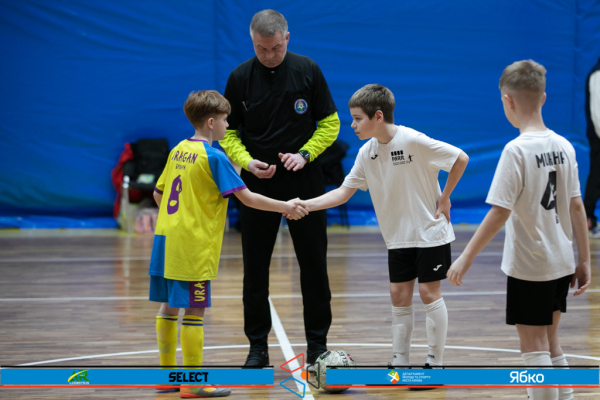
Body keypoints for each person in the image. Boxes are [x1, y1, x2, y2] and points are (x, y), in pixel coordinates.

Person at [294, 84, 469, 381]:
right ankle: (399, 363)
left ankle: (435, 364)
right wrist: (305, 205)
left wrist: (445, 197)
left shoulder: (413, 140)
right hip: (397, 237)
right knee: (398, 296)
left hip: (430, 232)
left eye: (357, 118)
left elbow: (460, 158)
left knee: (428, 293)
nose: (352, 125)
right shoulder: (367, 152)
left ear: (378, 116)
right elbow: (342, 193)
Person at [148, 90, 307, 398]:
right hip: (193, 245)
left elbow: (158, 194)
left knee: (168, 306)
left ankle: (168, 377)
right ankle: (193, 383)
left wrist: (180, 217)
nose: (227, 125)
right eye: (224, 120)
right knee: (194, 311)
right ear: (211, 122)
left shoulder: (179, 149)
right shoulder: (214, 156)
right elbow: (248, 199)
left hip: (166, 239)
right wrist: (285, 207)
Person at [447, 60, 591, 400]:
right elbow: (577, 207)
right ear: (543, 98)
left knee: (534, 348)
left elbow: (499, 211)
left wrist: (466, 257)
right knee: (551, 343)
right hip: (561, 261)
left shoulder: (516, 150)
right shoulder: (564, 145)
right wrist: (584, 260)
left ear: (507, 101)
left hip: (531, 264)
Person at [220, 9, 340, 368]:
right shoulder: (239, 77)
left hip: (306, 183)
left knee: (314, 267)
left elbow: (330, 123)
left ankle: (317, 346)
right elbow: (228, 132)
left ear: (287, 38)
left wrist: (305, 154)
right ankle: (257, 348)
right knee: (255, 271)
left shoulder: (308, 70)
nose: (269, 55)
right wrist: (246, 162)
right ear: (252, 41)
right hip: (258, 188)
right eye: (261, 48)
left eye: (275, 47)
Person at [584, 57, 600, 238]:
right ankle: (587, 218)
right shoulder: (597, 74)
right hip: (598, 137)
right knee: (597, 177)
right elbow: (597, 112)